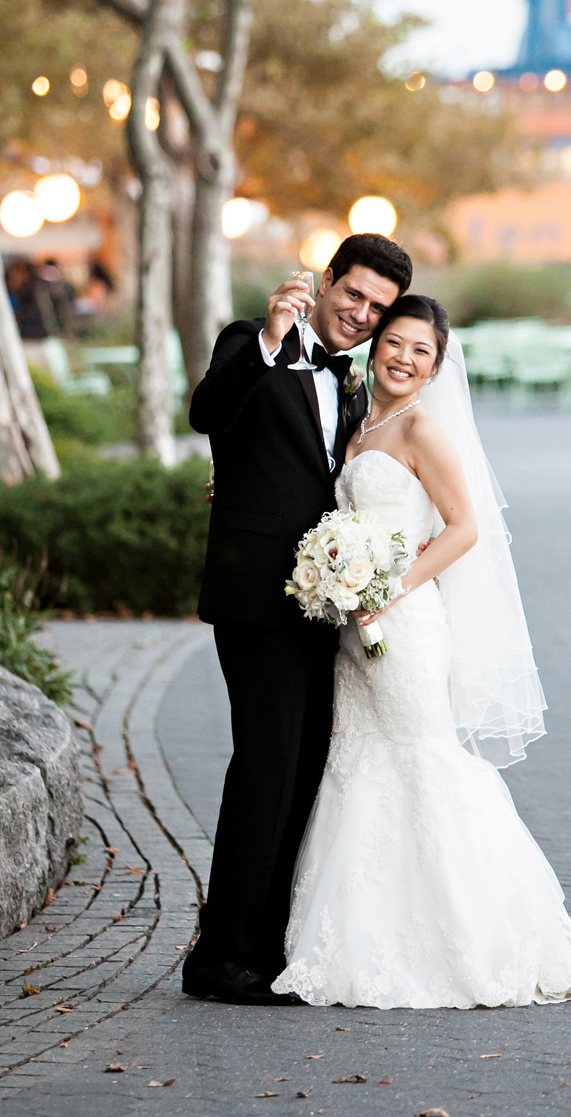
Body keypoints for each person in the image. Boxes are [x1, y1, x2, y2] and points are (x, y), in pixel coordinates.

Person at [272, 295, 571, 1007]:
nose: (403, 358)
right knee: (359, 764)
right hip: (352, 629)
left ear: (436, 364)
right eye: (394, 342)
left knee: (423, 762)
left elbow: (463, 528)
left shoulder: (424, 427)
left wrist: (388, 588)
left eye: (420, 350)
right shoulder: (362, 421)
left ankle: (480, 935)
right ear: (377, 345)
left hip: (404, 623)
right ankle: (366, 938)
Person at [182, 233, 413, 1005]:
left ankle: (268, 946)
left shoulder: (350, 384)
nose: (361, 315)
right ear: (325, 283)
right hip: (254, 598)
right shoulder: (253, 342)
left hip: (320, 600)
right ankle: (219, 959)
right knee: (265, 768)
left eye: (377, 309)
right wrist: (274, 339)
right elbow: (207, 411)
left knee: (304, 769)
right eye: (353, 295)